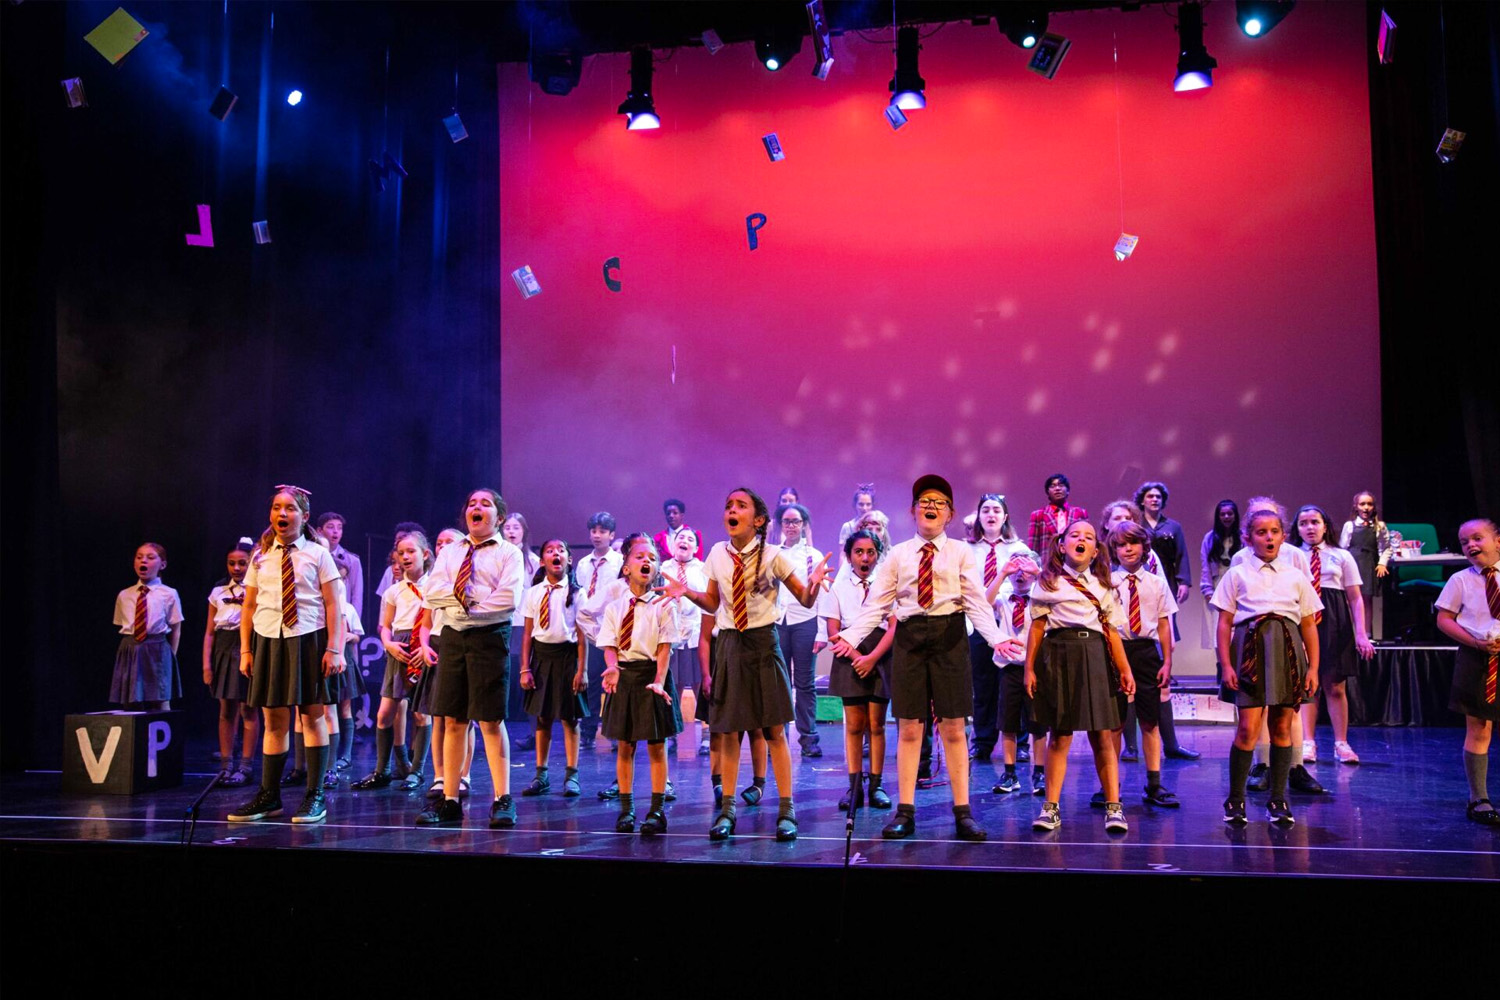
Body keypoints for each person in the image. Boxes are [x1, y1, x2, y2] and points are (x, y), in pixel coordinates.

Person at [831, 475, 1015, 842]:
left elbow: (976, 603)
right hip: (911, 639)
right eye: (924, 501)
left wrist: (996, 638)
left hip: (949, 637)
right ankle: (906, 811)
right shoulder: (897, 554)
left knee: (952, 726)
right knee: (910, 726)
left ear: (950, 514)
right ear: (913, 511)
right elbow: (877, 606)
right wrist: (850, 636)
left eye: (939, 502)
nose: (931, 506)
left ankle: (963, 812)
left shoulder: (961, 552)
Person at [660, 487, 831, 842]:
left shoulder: (773, 555)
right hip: (732, 645)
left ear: (758, 520)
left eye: (740, 506)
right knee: (732, 731)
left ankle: (786, 809)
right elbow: (711, 600)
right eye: (728, 506)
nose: (731, 510)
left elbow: (803, 596)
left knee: (773, 730)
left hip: (764, 643)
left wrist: (814, 586)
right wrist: (686, 593)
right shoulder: (717, 554)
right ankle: (727, 809)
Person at [227, 486, 346, 825]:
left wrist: (334, 647)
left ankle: (314, 794)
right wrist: (247, 650)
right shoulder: (261, 556)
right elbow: (249, 605)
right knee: (274, 720)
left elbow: (333, 603)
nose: (283, 514)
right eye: (278, 508)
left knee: (312, 716)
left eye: (291, 508)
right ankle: (269, 794)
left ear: (304, 516)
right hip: (269, 639)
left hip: (308, 638)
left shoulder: (317, 553)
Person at [414, 489, 523, 829]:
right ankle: (450, 800)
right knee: (453, 719)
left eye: (485, 504)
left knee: (490, 720)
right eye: (472, 504)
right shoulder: (451, 552)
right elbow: (431, 591)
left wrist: (465, 604)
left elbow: (507, 597)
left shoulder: (509, 553)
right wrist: (472, 600)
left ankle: (502, 799)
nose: (477, 508)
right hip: (454, 638)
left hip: (490, 638)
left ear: (499, 518)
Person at [1024, 521, 1136, 834]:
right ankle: (1050, 808)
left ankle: (1114, 807)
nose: (1081, 540)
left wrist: (1125, 669)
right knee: (1060, 734)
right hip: (1060, 654)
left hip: (1096, 654)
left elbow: (1112, 631)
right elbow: (1036, 628)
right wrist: (1029, 668)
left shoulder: (1105, 584)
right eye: (1075, 535)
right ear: (1061, 545)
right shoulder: (1048, 582)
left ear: (1096, 550)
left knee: (1102, 733)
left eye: (1088, 537)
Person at [1212, 507, 1321, 826]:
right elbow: (1224, 623)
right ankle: (1235, 800)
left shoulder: (1296, 576)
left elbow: (1309, 625)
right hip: (1250, 649)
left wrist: (1313, 668)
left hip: (1287, 649)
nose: (1269, 537)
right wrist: (1226, 665)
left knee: (1282, 727)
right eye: (1261, 532)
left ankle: (1278, 798)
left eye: (1274, 531)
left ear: (1284, 537)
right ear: (1248, 538)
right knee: (1248, 728)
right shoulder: (1238, 574)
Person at [599, 536, 683, 835]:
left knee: (657, 746)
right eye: (639, 557)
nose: (646, 561)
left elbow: (664, 647)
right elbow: (609, 645)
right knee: (625, 744)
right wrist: (612, 666)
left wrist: (659, 681)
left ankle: (657, 809)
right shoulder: (615, 607)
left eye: (652, 557)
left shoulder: (663, 605)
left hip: (652, 677)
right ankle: (626, 809)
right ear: (626, 568)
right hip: (624, 676)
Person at [819, 529, 896, 812]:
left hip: (880, 654)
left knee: (876, 724)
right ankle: (854, 787)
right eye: (858, 552)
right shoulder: (838, 587)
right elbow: (833, 630)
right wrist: (856, 657)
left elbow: (894, 625)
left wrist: (873, 658)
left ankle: (876, 785)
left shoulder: (887, 586)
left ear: (878, 555)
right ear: (849, 555)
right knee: (853, 726)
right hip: (849, 656)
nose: (865, 558)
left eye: (870, 552)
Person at [1432, 518, 1500, 827]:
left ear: (1497, 540)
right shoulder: (1461, 580)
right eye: (1464, 542)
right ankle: (1478, 797)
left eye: (1477, 538)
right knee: (1479, 726)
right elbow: (1444, 618)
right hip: (1477, 657)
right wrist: (1474, 641)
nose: (1471, 545)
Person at [353, 531, 434, 789]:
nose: (405, 557)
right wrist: (387, 644)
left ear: (425, 554)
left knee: (421, 713)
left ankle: (417, 770)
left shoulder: (435, 587)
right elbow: (385, 626)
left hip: (424, 649)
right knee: (384, 713)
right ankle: (382, 770)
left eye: (411, 551)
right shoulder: (393, 591)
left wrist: (425, 646)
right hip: (399, 650)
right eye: (401, 553)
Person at [1295, 505, 1375, 765]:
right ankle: (1308, 742)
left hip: (1335, 621)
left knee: (1335, 685)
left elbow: (1355, 599)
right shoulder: (1293, 556)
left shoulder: (1341, 556)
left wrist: (1361, 634)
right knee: (1309, 685)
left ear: (1325, 525)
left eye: (1314, 522)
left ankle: (1341, 743)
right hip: (1304, 619)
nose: (1309, 527)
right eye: (1303, 523)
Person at [1108, 522, 1180, 808]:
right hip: (1117, 650)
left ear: (1143, 547)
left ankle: (1154, 783)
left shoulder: (1156, 583)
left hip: (1147, 652)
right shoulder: (1108, 582)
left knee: (1150, 721)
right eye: (1121, 545)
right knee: (1114, 722)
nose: (1128, 549)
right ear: (1114, 549)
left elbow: (1164, 625)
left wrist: (1167, 662)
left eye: (1133, 543)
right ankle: (1111, 785)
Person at [967, 493, 1034, 762]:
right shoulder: (967, 549)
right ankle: (982, 741)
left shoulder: (1019, 548)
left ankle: (1021, 742)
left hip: (1011, 625)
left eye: (996, 510)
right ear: (979, 517)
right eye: (985, 510)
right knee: (982, 686)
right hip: (980, 624)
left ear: (1005, 517)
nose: (991, 515)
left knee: (1014, 684)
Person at [519, 539, 588, 798]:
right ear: (542, 561)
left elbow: (582, 636)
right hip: (541, 658)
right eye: (550, 551)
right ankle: (541, 774)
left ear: (569, 560)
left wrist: (582, 670)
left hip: (568, 658)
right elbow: (527, 635)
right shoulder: (534, 592)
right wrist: (525, 668)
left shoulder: (577, 593)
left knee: (570, 719)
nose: (555, 554)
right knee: (543, 717)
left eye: (561, 550)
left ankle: (572, 774)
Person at [774, 502, 828, 758]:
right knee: (780, 683)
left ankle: (808, 738)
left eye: (796, 521)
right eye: (787, 521)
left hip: (806, 621)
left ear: (804, 524)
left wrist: (821, 632)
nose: (792, 526)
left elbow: (820, 594)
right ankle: (779, 738)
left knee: (805, 683)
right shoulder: (773, 553)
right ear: (780, 525)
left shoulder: (813, 555)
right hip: (779, 623)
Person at [204, 543, 258, 786]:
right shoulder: (218, 591)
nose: (237, 568)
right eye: (231, 563)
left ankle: (245, 766)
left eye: (242, 563)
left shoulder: (257, 589)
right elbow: (209, 633)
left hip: (247, 645)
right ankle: (225, 765)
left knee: (248, 709)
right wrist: (207, 664)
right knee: (226, 710)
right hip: (224, 649)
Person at [112, 543, 184, 711]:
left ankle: (163, 734)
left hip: (157, 648)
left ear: (162, 564)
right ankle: (134, 736)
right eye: (139, 557)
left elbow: (176, 628)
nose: (143, 561)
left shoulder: (169, 593)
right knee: (131, 700)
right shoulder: (125, 594)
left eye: (150, 558)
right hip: (131, 648)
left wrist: (170, 656)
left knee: (160, 698)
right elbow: (121, 624)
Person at [576, 512, 622, 750]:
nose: (597, 535)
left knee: (614, 681)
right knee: (591, 680)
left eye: (602, 531)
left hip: (612, 629)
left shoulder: (619, 563)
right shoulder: (584, 564)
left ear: (611, 535)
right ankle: (588, 729)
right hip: (590, 630)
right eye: (593, 531)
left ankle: (614, 730)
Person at [1339, 491, 1395, 631]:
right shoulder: (1350, 526)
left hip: (1368, 564)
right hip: (1353, 563)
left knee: (1366, 600)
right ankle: (1351, 632)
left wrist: (1382, 563)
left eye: (1369, 504)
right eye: (1362, 504)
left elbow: (1387, 547)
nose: (1366, 507)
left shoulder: (1379, 526)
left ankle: (1366, 632)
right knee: (1349, 599)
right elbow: (1342, 548)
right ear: (1356, 507)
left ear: (1374, 507)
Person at [1199, 501, 1242, 650]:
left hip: (1238, 588)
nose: (1226, 517)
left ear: (1235, 515)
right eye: (1222, 514)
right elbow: (1205, 567)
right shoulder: (1209, 538)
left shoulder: (1243, 538)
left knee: (1237, 628)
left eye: (1229, 513)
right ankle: (1221, 666)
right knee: (1218, 629)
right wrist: (1207, 590)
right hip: (1217, 588)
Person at [1027, 473, 1088, 558]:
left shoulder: (1080, 513)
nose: (1057, 488)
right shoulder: (1038, 515)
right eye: (1053, 486)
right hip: (1048, 563)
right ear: (1047, 492)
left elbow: (1086, 542)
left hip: (1073, 562)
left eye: (1061, 485)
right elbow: (1033, 547)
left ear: (1068, 490)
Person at [316, 512, 363, 621]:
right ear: (319, 531)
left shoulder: (352, 561)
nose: (336, 531)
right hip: (317, 617)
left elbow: (357, 596)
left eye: (339, 528)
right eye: (330, 527)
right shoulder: (313, 556)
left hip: (342, 617)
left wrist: (353, 624)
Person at [837, 483, 877, 549]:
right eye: (861, 504)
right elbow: (843, 555)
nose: (864, 508)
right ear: (855, 505)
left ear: (873, 505)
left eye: (868, 504)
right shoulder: (848, 527)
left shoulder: (878, 526)